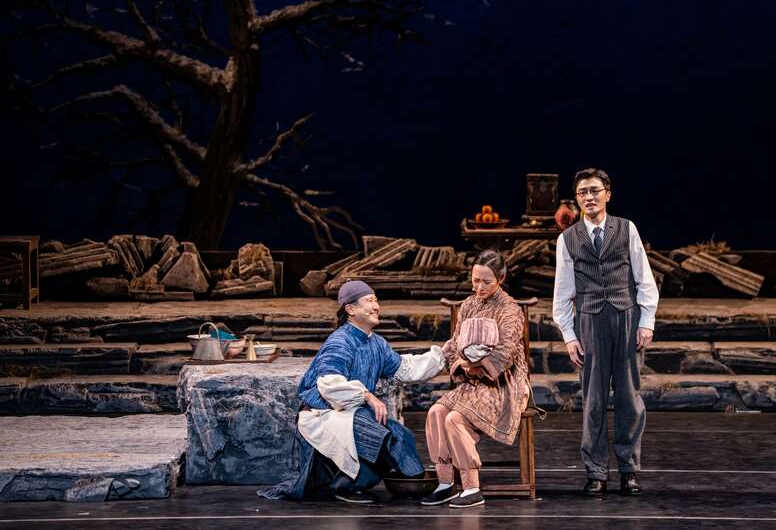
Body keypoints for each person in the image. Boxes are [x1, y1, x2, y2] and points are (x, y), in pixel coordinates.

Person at [259, 280, 444, 503]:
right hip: (324, 413)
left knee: (398, 433)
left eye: (376, 300)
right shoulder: (340, 341)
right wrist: (367, 396)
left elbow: (405, 368)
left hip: (352, 412)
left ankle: (414, 480)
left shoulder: (377, 343)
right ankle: (345, 486)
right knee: (379, 434)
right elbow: (328, 383)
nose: (376, 306)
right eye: (370, 301)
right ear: (351, 309)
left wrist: (443, 355)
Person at [553, 167, 659, 496]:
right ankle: (596, 471)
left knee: (629, 397)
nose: (589, 197)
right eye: (583, 192)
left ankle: (629, 470)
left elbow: (644, 278)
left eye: (595, 191)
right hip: (589, 321)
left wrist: (646, 321)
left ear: (607, 195)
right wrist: (569, 336)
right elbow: (562, 292)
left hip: (625, 318)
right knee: (594, 401)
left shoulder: (626, 229)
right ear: (577, 199)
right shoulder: (567, 238)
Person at [422, 249, 529, 509]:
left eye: (486, 282)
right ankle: (445, 482)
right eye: (475, 280)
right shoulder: (469, 305)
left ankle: (471, 487)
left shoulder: (510, 310)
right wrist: (460, 364)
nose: (479, 287)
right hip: (471, 382)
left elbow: (506, 353)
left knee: (455, 418)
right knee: (436, 412)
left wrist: (475, 367)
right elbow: (455, 343)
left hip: (503, 383)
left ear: (501, 279)